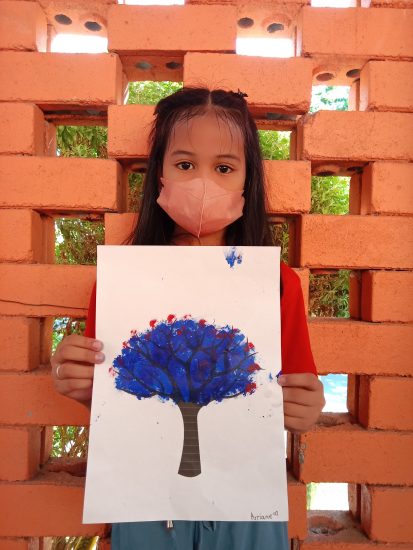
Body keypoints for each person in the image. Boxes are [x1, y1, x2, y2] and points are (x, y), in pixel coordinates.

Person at [50, 87, 325, 550]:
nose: (202, 183)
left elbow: (295, 392)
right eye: (184, 165)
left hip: (246, 507)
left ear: (248, 179)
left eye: (224, 168)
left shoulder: (277, 284)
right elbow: (114, 398)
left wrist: (305, 408)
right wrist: (79, 383)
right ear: (160, 173)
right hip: (146, 505)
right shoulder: (121, 284)